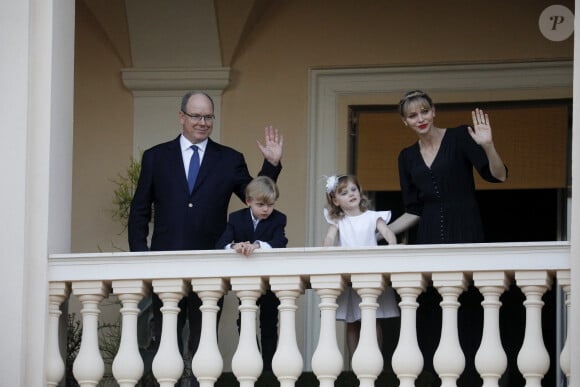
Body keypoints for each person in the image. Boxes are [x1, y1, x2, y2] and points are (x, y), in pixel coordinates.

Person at [127, 91, 284, 382]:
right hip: (165, 265)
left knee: (203, 345)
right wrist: (140, 257)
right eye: (196, 116)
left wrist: (271, 165)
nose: (202, 122)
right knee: (166, 344)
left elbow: (254, 196)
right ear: (182, 117)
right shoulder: (156, 157)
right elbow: (139, 211)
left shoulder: (229, 159)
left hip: (210, 264)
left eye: (208, 116)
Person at [388, 90, 508, 387]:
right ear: (405, 121)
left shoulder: (459, 138)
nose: (420, 119)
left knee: (468, 307)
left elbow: (499, 175)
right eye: (413, 115)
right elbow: (414, 209)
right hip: (427, 238)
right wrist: (382, 229)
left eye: (424, 112)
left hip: (465, 230)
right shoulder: (406, 157)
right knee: (432, 310)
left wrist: (489, 146)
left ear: (434, 111)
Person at [322, 174, 399, 361]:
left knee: (373, 320)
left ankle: (376, 360)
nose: (351, 194)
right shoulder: (338, 221)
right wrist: (325, 251)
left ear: (360, 191)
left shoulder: (373, 217)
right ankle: (354, 362)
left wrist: (392, 245)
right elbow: (330, 238)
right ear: (335, 201)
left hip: (370, 272)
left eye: (353, 189)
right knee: (352, 322)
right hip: (350, 275)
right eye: (344, 192)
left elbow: (388, 232)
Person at [216, 176, 288, 371]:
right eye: (260, 204)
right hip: (246, 282)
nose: (266, 209)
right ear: (248, 201)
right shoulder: (236, 218)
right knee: (245, 320)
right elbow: (221, 243)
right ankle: (253, 362)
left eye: (270, 205)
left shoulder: (279, 218)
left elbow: (280, 242)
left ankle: (268, 368)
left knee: (269, 322)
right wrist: (235, 246)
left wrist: (258, 245)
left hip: (270, 280)